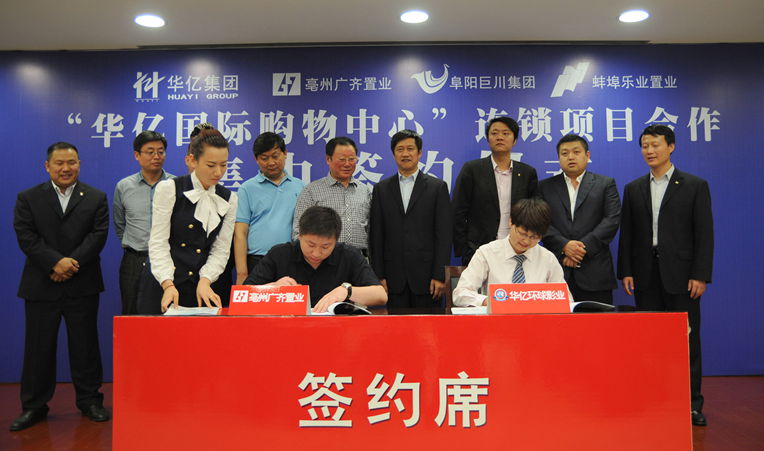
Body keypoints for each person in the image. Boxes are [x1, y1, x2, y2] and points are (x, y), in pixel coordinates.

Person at [617, 125, 713, 426]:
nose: (649, 150)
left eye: (655, 145)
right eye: (645, 145)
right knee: (649, 342)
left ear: (671, 147)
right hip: (646, 275)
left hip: (683, 277)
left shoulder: (694, 185)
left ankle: (691, 405)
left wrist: (700, 274)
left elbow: (704, 233)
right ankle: (652, 401)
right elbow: (628, 234)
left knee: (687, 341)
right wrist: (626, 271)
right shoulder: (633, 188)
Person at [11, 142, 110, 431]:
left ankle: (90, 401)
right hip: (41, 284)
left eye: (72, 162)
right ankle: (34, 406)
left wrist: (70, 264)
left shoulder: (96, 197)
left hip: (83, 283)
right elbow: (26, 235)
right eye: (59, 163)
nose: (66, 168)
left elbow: (98, 236)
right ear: (47, 166)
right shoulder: (28, 198)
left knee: (85, 346)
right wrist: (54, 263)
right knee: (38, 348)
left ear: (79, 164)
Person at [136, 129, 238, 313]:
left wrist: (206, 280)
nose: (218, 172)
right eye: (211, 165)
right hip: (164, 285)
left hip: (202, 288)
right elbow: (158, 242)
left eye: (224, 165)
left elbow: (221, 249)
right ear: (192, 160)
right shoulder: (169, 189)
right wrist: (167, 283)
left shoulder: (229, 199)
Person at [245, 206, 387, 313]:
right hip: (287, 328)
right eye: (310, 245)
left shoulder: (349, 255)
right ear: (300, 235)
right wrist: (273, 287)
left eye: (326, 246)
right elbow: (242, 295)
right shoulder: (280, 254)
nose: (316, 253)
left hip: (337, 330)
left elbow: (381, 296)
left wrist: (346, 291)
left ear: (336, 240)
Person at [369, 129, 452, 308]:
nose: (405, 154)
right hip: (393, 279)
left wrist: (439, 275)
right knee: (395, 326)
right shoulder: (381, 189)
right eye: (400, 149)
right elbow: (376, 236)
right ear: (393, 154)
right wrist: (379, 276)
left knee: (428, 326)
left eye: (410, 149)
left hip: (428, 279)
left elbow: (444, 235)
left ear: (419, 153)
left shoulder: (437, 188)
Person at [538, 134, 620, 304]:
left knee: (597, 320)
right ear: (558, 158)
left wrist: (581, 249)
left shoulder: (605, 184)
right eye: (565, 153)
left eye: (576, 152)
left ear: (587, 155)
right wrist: (564, 246)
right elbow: (540, 221)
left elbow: (612, 220)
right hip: (557, 270)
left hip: (596, 272)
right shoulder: (545, 187)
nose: (570, 157)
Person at [452, 116, 538, 265]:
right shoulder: (472, 169)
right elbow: (457, 211)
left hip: (518, 249)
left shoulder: (527, 173)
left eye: (506, 133)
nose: (499, 137)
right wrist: (464, 250)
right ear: (488, 139)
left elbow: (533, 213)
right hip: (478, 250)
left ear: (515, 140)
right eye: (494, 133)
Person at [453, 198, 566, 307]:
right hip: (497, 318)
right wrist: (489, 302)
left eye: (534, 237)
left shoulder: (548, 259)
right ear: (511, 222)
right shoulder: (487, 253)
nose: (526, 241)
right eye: (522, 233)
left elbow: (565, 299)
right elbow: (460, 293)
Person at [113, 131, 174, 315]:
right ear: (137, 155)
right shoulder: (124, 186)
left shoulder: (175, 184)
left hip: (168, 259)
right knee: (131, 313)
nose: (156, 156)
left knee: (168, 314)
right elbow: (120, 224)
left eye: (161, 152)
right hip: (135, 259)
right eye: (150, 151)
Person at [234, 132, 304, 284]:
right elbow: (240, 233)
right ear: (256, 159)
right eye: (264, 158)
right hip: (257, 260)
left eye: (275, 156)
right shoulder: (247, 188)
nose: (271, 162)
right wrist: (242, 272)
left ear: (285, 154)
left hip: (291, 259)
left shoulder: (301, 186)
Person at [292, 137, 371, 255]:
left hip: (359, 257)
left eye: (352, 159)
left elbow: (372, 229)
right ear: (328, 159)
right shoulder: (311, 191)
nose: (347, 164)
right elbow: (298, 231)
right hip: (323, 258)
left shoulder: (365, 190)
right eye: (342, 159)